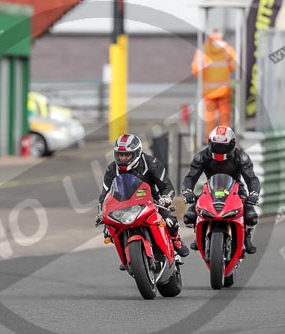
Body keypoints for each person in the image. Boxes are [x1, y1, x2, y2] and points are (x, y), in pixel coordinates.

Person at [95, 133, 190, 261]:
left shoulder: (151, 163)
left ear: (137, 153)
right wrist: (101, 212)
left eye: (127, 155)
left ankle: (175, 239)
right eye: (120, 155)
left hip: (152, 201)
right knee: (109, 230)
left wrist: (165, 198)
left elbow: (167, 186)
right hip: (123, 205)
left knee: (169, 220)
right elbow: (105, 193)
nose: (123, 158)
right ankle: (127, 255)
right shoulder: (112, 169)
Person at [181, 125, 260, 254]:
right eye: (216, 145)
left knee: (251, 215)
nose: (219, 149)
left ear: (232, 144)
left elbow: (252, 179)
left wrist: (254, 193)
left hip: (236, 189)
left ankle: (246, 237)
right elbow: (190, 177)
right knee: (190, 214)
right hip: (210, 188)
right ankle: (198, 234)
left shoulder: (241, 157)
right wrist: (187, 191)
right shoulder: (201, 156)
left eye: (222, 146)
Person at [191, 29, 236, 141]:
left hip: (208, 91)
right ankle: (225, 141)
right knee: (224, 118)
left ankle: (210, 141)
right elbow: (233, 66)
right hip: (224, 90)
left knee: (209, 119)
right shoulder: (227, 49)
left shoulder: (203, 49)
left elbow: (196, 70)